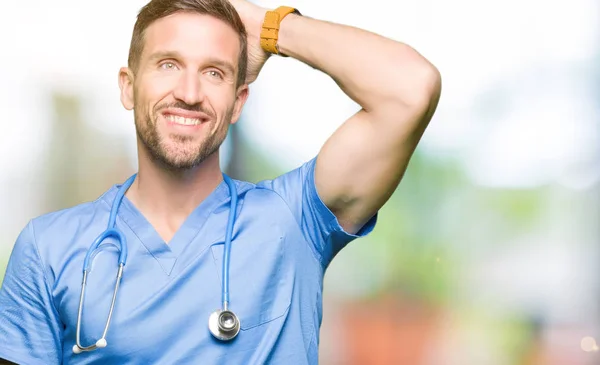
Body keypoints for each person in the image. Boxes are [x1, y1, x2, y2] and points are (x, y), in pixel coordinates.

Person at [0, 0, 441, 363]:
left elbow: (410, 87)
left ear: (237, 101)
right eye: (169, 64)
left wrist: (270, 28)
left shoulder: (293, 220)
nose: (190, 92)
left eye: (215, 72)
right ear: (127, 87)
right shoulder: (48, 249)